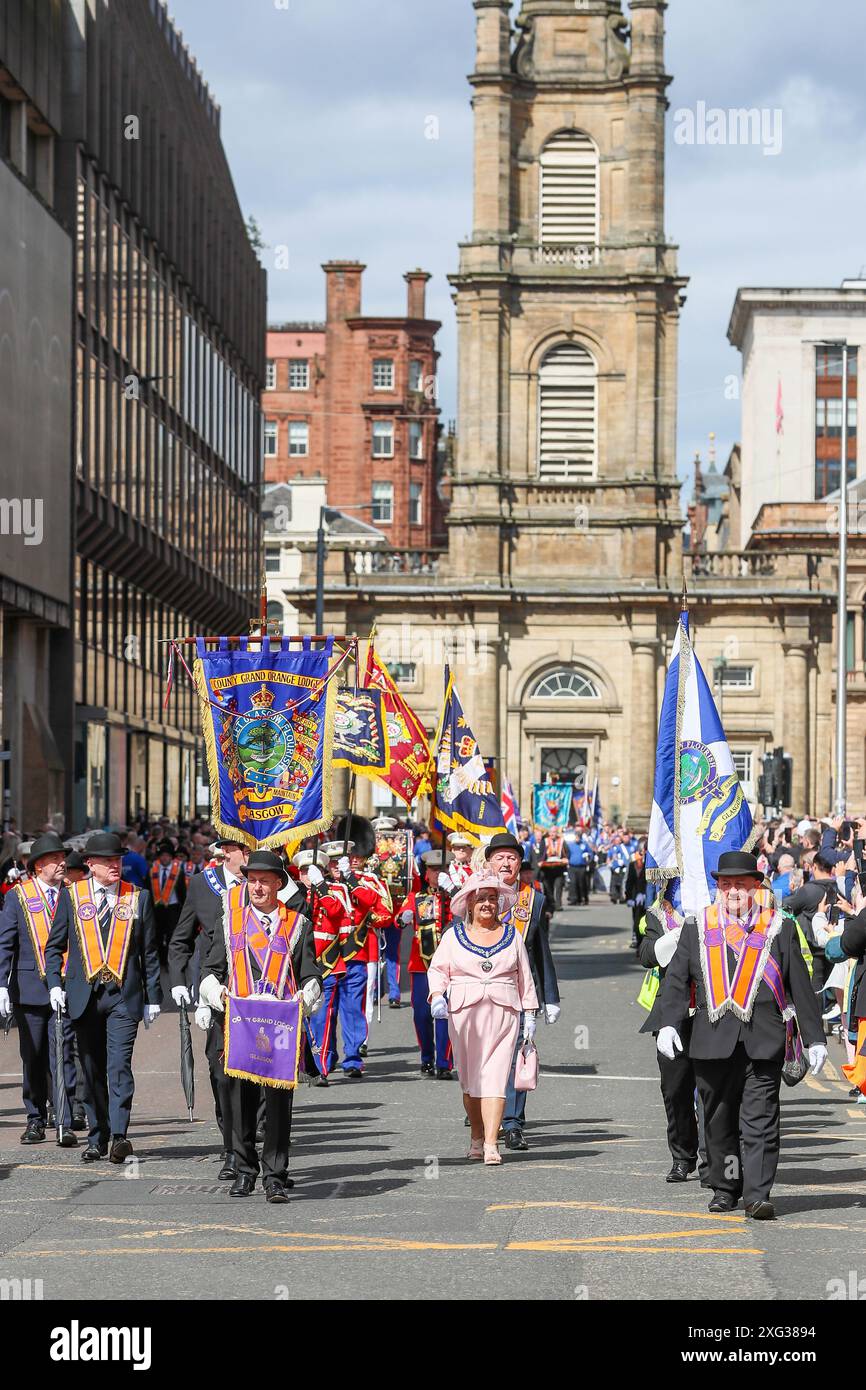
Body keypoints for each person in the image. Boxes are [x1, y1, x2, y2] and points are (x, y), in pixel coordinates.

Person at [657, 850, 826, 1219]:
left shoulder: (777, 926)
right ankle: (726, 1186)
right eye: (727, 884)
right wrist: (668, 1022)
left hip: (764, 1039)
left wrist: (815, 1038)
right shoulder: (697, 926)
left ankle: (758, 1195)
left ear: (755, 887)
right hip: (711, 1038)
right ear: (718, 887)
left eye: (742, 884)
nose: (734, 891)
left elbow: (798, 981)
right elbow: (676, 980)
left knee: (761, 1118)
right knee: (719, 1120)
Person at [199, 850, 321, 1202]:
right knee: (239, 1100)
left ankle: (275, 1175)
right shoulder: (230, 922)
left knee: (279, 1104)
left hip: (279, 1026)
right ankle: (244, 1169)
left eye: (264, 881)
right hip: (238, 1025)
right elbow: (211, 969)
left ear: (278, 885)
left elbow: (310, 973)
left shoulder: (297, 924)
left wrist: (306, 995)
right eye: (252, 880)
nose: (257, 887)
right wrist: (213, 993)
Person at [44, 831, 162, 1163]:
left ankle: (120, 1135)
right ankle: (98, 1134)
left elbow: (149, 953)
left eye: (118, 860)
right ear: (91, 865)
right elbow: (55, 946)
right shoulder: (73, 896)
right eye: (108, 861)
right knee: (91, 1068)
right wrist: (55, 984)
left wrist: (153, 997)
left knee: (119, 1065)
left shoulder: (137, 897)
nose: (115, 866)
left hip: (123, 996)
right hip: (84, 996)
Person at [428, 871, 538, 1165]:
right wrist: (437, 995)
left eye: (492, 899)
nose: (487, 904)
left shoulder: (512, 935)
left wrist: (530, 1014)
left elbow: (524, 977)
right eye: (481, 899)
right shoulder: (453, 936)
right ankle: (476, 1137)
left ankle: (491, 1143)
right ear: (469, 904)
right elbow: (438, 970)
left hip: (504, 1013)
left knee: (496, 1078)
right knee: (471, 1081)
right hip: (465, 1015)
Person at [167, 835, 250, 1180]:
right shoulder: (204, 884)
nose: (241, 854)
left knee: (259, 1076)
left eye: (246, 848)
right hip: (217, 989)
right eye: (236, 849)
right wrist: (180, 982)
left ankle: (255, 1143)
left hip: (262, 991)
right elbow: (183, 936)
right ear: (227, 853)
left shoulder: (271, 880)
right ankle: (232, 1149)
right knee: (220, 1073)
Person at [0, 834, 82, 1146]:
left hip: (65, 987)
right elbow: (5, 942)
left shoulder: (75, 895)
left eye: (63, 857)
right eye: (55, 859)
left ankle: (64, 1119)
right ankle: (34, 1118)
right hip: (31, 989)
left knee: (63, 1055)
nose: (62, 863)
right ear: (38, 866)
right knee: (33, 1056)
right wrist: (1, 985)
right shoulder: (18, 897)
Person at [482, 832, 560, 1151]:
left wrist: (550, 997)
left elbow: (542, 951)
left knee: (517, 1058)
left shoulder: (534, 899)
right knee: (485, 1060)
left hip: (519, 993)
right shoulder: (475, 894)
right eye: (499, 857)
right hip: (480, 993)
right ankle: (487, 1117)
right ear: (489, 862)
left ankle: (513, 1124)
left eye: (511, 857)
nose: (506, 863)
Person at [637, 902, 703, 1183]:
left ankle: (714, 1159)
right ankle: (682, 1156)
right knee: (675, 1090)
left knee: (714, 1090)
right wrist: (678, 935)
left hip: (709, 1009)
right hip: (672, 1013)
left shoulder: (719, 909)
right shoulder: (658, 914)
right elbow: (646, 955)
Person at [401, 850, 454, 1078]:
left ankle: (444, 1062)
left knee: (444, 1014)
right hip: (421, 964)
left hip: (448, 966)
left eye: (441, 869)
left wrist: (453, 889)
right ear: (426, 872)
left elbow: (467, 913)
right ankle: (427, 1057)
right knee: (422, 1014)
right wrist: (403, 917)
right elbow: (403, 913)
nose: (437, 873)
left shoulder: (453, 896)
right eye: (433, 870)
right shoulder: (417, 896)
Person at [149, 840, 187, 965]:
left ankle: (171, 959)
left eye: (167, 856)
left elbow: (182, 891)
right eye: (163, 856)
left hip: (173, 908)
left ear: (171, 857)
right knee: (158, 934)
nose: (165, 858)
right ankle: (161, 958)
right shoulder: (153, 870)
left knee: (172, 934)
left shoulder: (178, 871)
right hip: (157, 908)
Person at [539, 826, 568, 911]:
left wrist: (565, 858)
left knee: (559, 886)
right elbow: (542, 853)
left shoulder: (562, 841)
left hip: (559, 868)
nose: (552, 834)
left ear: (557, 833)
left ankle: (558, 905)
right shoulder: (545, 841)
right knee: (549, 887)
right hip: (547, 868)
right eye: (551, 832)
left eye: (554, 832)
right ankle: (551, 904)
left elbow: (567, 852)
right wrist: (541, 861)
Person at [625, 843, 647, 948]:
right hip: (635, 896)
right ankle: (636, 938)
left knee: (645, 919)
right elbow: (629, 882)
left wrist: (644, 894)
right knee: (636, 918)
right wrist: (629, 897)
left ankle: (643, 940)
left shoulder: (649, 863)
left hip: (645, 895)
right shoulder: (632, 864)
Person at [566, 830, 593, 907]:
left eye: (578, 836)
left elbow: (590, 854)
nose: (577, 838)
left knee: (581, 883)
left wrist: (588, 858)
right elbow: (566, 854)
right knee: (573, 883)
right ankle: (573, 899)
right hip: (572, 866)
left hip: (582, 866)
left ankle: (583, 898)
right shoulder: (570, 845)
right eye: (576, 836)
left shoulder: (584, 844)